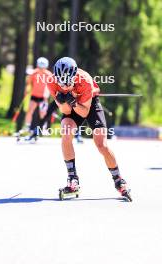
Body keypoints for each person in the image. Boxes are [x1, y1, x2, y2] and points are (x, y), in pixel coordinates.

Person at [47, 57, 132, 201]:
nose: (65, 85)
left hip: (89, 105)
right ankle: (72, 179)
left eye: (67, 82)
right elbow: (66, 111)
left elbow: (84, 113)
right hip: (71, 106)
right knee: (66, 133)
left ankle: (118, 180)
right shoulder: (52, 82)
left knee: (101, 145)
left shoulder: (84, 80)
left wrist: (72, 101)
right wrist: (62, 101)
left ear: (74, 76)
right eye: (62, 82)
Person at [21, 57, 52, 134]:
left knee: (43, 113)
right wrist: (26, 91)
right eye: (40, 67)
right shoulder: (33, 73)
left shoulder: (48, 75)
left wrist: (48, 94)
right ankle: (27, 126)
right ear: (37, 66)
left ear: (46, 67)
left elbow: (50, 85)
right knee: (29, 111)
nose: (41, 69)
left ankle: (43, 128)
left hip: (43, 97)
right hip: (34, 95)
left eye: (43, 67)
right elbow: (29, 84)